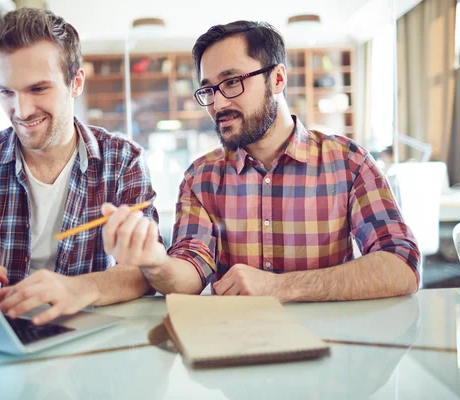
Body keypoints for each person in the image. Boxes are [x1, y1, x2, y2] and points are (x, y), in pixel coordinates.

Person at [101, 20, 420, 301]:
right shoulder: (202, 177)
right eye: (209, 90)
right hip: (239, 352)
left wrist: (282, 287)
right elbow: (190, 272)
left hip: (335, 350)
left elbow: (401, 264)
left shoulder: (349, 161)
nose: (218, 104)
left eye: (231, 82)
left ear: (278, 79)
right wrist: (156, 262)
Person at [0, 8, 158, 324]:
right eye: (6, 92)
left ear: (76, 83)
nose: (21, 110)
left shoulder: (123, 161)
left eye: (38, 88)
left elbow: (144, 272)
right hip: (1, 335)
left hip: (89, 336)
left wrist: (78, 289)